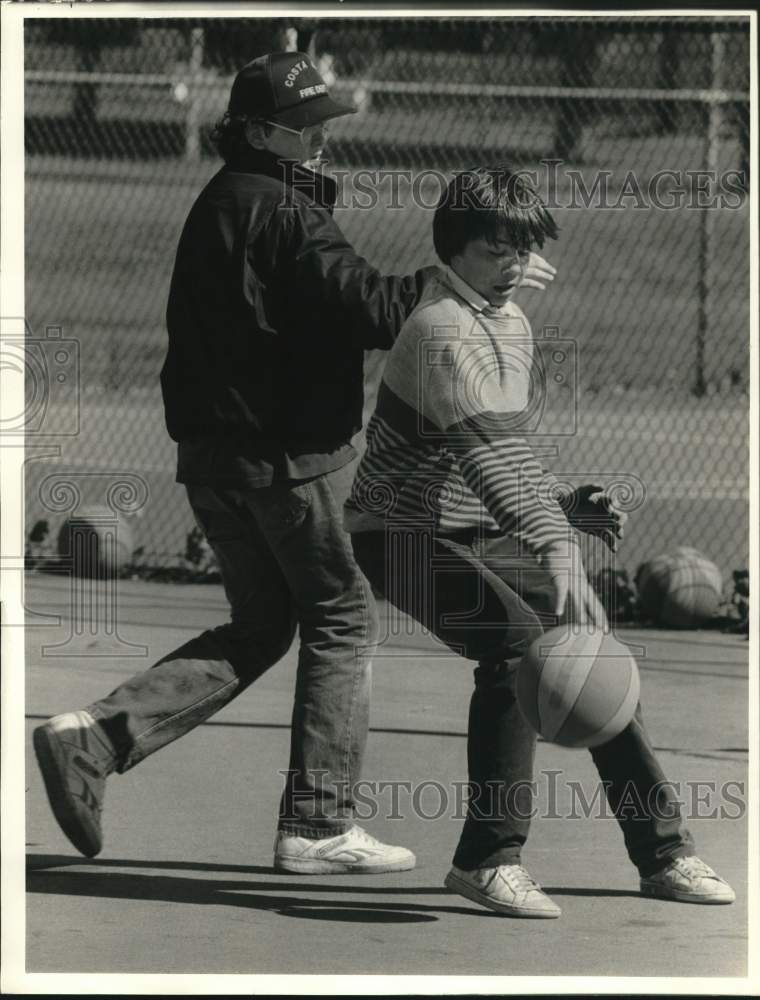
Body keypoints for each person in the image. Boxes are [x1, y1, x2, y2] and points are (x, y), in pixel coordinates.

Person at [32, 53, 561, 873]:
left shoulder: (220, 202)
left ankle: (96, 736)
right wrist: (464, 279)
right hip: (285, 462)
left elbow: (311, 310)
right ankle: (317, 825)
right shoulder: (283, 212)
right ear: (255, 130)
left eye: (325, 122)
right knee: (345, 617)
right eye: (305, 126)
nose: (321, 138)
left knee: (262, 624)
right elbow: (368, 305)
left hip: (211, 461)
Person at [344, 164, 736, 915]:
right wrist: (558, 546)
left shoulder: (509, 321)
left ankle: (664, 853)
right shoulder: (437, 329)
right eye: (499, 250)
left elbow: (506, 450)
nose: (517, 267)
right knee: (519, 646)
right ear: (455, 251)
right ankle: (487, 859)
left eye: (525, 250)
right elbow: (488, 457)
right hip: (396, 533)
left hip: (476, 529)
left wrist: (563, 502)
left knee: (590, 647)